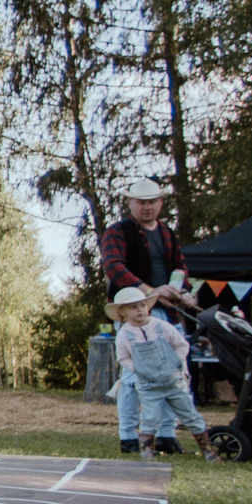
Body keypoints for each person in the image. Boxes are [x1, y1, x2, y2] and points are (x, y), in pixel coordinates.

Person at [99, 177, 198, 455]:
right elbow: (114, 268)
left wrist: (184, 292)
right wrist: (149, 292)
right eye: (141, 202)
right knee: (133, 376)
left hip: (168, 314)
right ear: (130, 203)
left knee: (171, 374)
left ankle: (166, 434)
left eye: (152, 202)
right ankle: (128, 435)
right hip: (133, 313)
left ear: (161, 203)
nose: (146, 207)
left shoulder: (167, 232)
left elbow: (180, 268)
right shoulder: (117, 232)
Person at [110, 287, 216, 460]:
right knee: (150, 419)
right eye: (133, 307)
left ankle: (208, 451)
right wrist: (139, 369)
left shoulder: (160, 326)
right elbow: (123, 358)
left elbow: (182, 345)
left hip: (173, 381)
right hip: (148, 385)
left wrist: (175, 363)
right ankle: (146, 451)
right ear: (122, 313)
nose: (139, 310)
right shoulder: (124, 335)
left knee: (190, 415)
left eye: (142, 305)